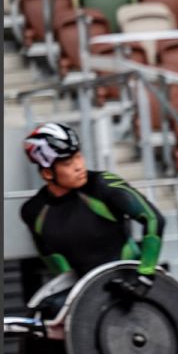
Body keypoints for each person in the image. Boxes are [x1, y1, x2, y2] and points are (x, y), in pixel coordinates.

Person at [20, 122, 166, 315]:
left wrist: (145, 274)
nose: (79, 166)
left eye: (79, 156)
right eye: (67, 163)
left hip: (131, 281)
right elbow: (52, 259)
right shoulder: (33, 211)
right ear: (47, 173)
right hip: (87, 291)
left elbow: (153, 219)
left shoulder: (104, 185)